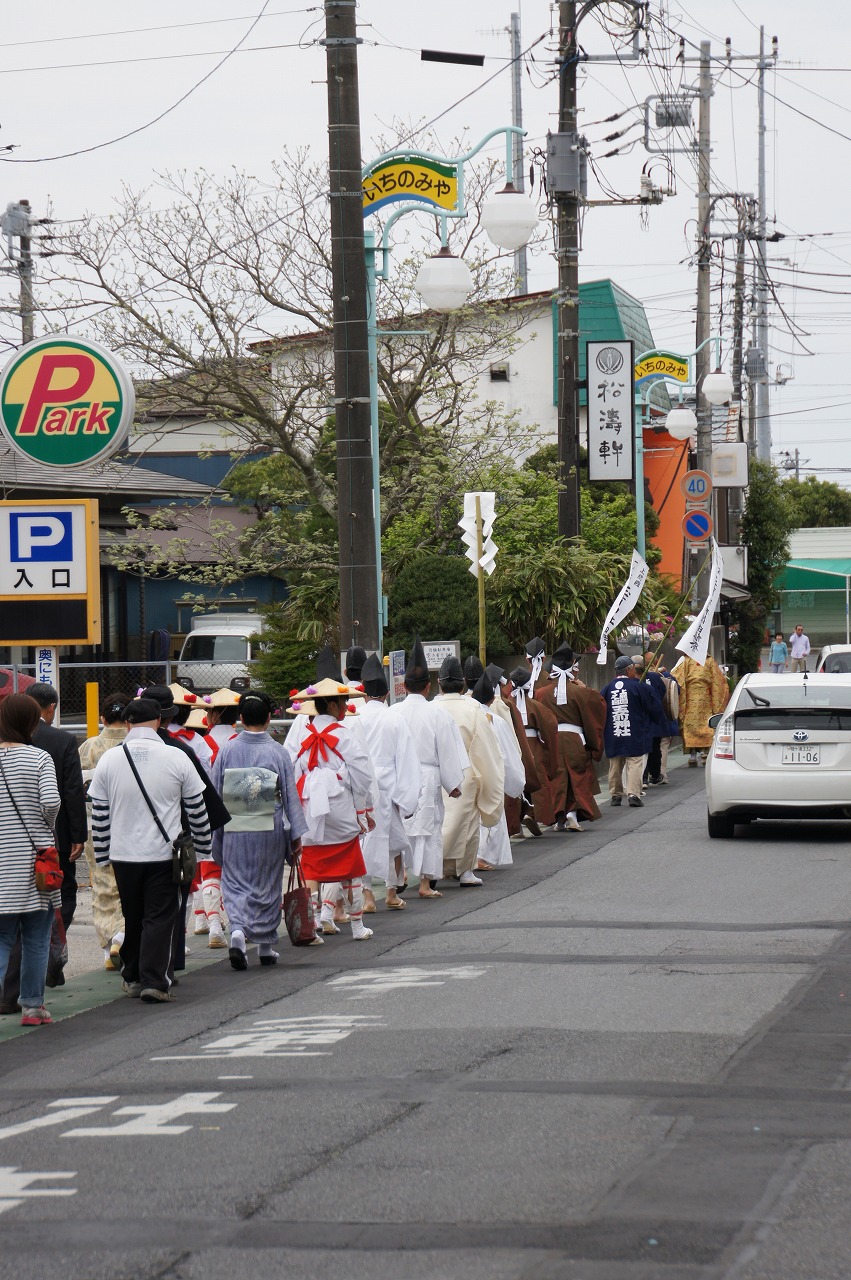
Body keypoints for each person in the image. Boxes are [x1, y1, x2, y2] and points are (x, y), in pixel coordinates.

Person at [90, 697, 212, 1003]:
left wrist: (103, 855)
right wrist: (204, 847)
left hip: (123, 853)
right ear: (159, 720)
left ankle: (132, 975)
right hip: (163, 852)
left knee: (133, 915)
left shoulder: (109, 760)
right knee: (159, 916)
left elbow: (99, 815)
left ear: (128, 723)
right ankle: (154, 980)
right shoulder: (176, 757)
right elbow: (197, 808)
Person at [211, 690, 307, 969]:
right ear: (268, 718)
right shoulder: (277, 752)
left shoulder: (227, 750)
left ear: (240, 718)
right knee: (267, 883)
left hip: (235, 826)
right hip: (268, 827)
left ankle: (239, 934)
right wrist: (295, 833)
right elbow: (290, 795)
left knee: (236, 881)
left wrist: (216, 830)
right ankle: (265, 946)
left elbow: (216, 793)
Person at [289, 654, 378, 940]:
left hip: (310, 813)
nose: (344, 707)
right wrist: (359, 802)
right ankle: (356, 926)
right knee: (350, 869)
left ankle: (312, 923)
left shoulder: (302, 734)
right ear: (330, 704)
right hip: (339, 808)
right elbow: (362, 774)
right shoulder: (344, 734)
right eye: (341, 702)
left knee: (312, 867)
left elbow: (292, 772)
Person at [144, 684, 231, 955]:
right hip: (181, 819)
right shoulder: (192, 744)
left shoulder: (128, 747)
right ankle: (178, 939)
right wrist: (208, 826)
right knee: (184, 878)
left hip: (140, 824)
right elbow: (205, 783)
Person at [385, 637, 467, 900]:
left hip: (399, 776)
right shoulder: (437, 714)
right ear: (429, 687)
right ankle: (425, 883)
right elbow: (447, 751)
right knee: (429, 829)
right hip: (428, 775)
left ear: (404, 686)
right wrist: (453, 783)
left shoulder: (393, 713)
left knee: (400, 827)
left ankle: (399, 877)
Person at [0, 694, 61, 1027]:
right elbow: (51, 801)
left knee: (1, 938)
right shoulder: (39, 757)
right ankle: (33, 1008)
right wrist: (45, 825)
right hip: (34, 862)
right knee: (37, 936)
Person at [357, 654, 422, 911]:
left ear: (364, 693)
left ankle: (367, 895)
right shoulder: (394, 717)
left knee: (364, 840)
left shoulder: (355, 716)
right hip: (388, 785)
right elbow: (406, 758)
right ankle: (391, 891)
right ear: (385, 693)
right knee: (393, 841)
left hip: (362, 786)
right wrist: (407, 798)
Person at [435, 655, 504, 887]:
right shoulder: (473, 708)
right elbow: (485, 749)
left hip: (434, 774)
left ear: (439, 683)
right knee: (468, 825)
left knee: (435, 824)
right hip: (464, 773)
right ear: (463, 684)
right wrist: (489, 780)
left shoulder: (430, 708)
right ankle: (465, 871)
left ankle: (432, 869)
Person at [28, 682, 87, 952]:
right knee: (64, 889)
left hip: (14, 836)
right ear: (51, 707)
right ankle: (54, 947)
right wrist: (78, 835)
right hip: (57, 834)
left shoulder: (6, 740)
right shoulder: (63, 741)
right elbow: (73, 791)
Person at [78, 692, 128, 972]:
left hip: (93, 824)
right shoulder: (133, 745)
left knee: (102, 883)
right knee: (128, 883)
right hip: (128, 823)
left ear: (103, 717)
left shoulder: (87, 747)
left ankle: (109, 944)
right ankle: (123, 934)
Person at [536, 642, 606, 831]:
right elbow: (598, 708)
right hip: (575, 740)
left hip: (553, 741)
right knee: (577, 777)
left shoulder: (541, 694)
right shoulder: (581, 692)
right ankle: (572, 813)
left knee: (557, 778)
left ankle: (559, 818)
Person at [471, 673, 525, 871]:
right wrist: (516, 783)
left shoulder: (467, 716)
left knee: (469, 816)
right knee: (490, 814)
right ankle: (482, 855)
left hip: (469, 773)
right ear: (492, 699)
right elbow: (508, 754)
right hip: (491, 771)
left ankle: (472, 856)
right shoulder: (495, 720)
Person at [506, 665, 557, 837]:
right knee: (538, 783)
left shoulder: (505, 705)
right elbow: (550, 727)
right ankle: (532, 814)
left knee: (514, 786)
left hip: (513, 747)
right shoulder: (536, 706)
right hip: (533, 747)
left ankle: (516, 825)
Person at [601, 656, 657, 808]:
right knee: (634, 762)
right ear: (629, 669)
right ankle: (633, 794)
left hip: (614, 732)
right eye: (633, 668)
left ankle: (615, 795)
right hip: (634, 731)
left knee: (615, 764)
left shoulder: (607, 689)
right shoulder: (639, 687)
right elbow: (652, 706)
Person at [674, 652, 730, 766]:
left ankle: (701, 753)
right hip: (691, 698)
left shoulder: (707, 660)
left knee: (704, 726)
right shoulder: (688, 660)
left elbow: (716, 681)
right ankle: (695, 754)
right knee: (693, 727)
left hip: (703, 698)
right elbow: (718, 681)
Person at [643, 652, 680, 785]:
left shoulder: (639, 679)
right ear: (657, 660)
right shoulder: (664, 676)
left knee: (645, 750)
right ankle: (659, 774)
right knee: (660, 747)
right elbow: (673, 692)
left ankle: (644, 778)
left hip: (643, 721)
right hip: (660, 719)